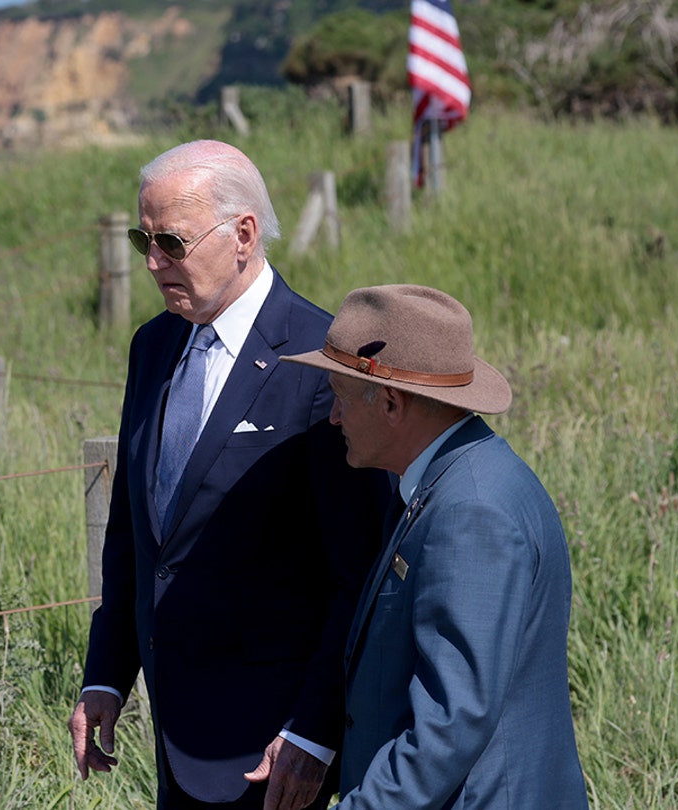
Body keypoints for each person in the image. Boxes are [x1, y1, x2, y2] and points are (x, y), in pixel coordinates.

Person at [68, 139, 388, 809]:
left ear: (243, 234)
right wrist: (106, 676)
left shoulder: (319, 360)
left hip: (273, 754)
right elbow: (135, 531)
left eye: (172, 243)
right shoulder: (153, 344)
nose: (153, 263)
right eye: (142, 240)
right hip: (173, 732)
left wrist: (314, 731)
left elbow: (355, 574)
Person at [281, 284, 590, 809]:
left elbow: (451, 722)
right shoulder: (447, 482)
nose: (333, 418)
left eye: (340, 395)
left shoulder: (471, 512)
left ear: (392, 403)